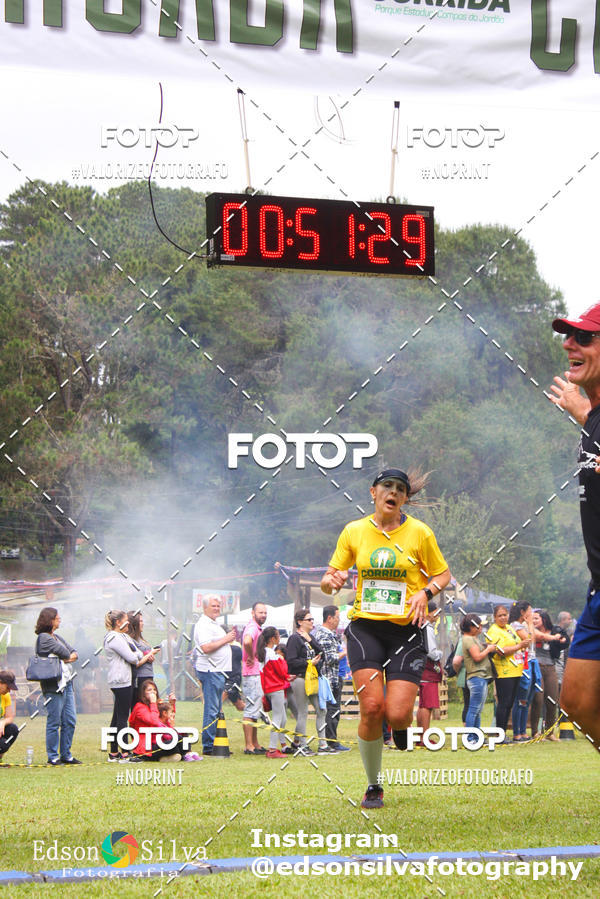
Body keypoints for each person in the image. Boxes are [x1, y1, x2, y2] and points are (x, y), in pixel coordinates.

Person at [321, 468, 451, 809]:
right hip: (365, 627)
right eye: (387, 487)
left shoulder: (419, 533)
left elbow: (443, 574)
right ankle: (373, 785)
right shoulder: (354, 532)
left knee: (396, 715)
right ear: (373, 492)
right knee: (372, 708)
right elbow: (331, 575)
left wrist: (426, 592)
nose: (393, 493)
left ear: (405, 498)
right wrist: (330, 583)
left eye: (400, 489)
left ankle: (401, 727)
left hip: (407, 630)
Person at [550, 302, 600, 747]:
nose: (570, 344)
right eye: (568, 336)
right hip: (598, 590)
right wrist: (585, 416)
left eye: (584, 338)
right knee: (578, 703)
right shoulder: (594, 418)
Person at [104, 610, 155, 762]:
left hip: (126, 679)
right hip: (120, 681)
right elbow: (133, 657)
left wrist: (138, 654)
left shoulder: (124, 636)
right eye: (126, 620)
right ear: (118, 622)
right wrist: (137, 654)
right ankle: (125, 752)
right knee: (122, 718)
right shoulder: (113, 637)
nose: (128, 623)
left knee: (116, 717)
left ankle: (114, 752)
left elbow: (139, 652)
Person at [34, 607, 80, 766]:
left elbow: (74, 652)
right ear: (50, 620)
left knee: (70, 719)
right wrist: (66, 657)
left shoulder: (57, 636)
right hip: (53, 685)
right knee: (54, 721)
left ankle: (66, 755)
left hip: (66, 683)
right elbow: (66, 653)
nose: (60, 619)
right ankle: (53, 756)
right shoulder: (44, 638)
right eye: (57, 617)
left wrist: (65, 658)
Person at [193, 595, 235, 756]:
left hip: (218, 670)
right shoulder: (203, 624)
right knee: (211, 708)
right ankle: (209, 746)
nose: (217, 608)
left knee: (216, 708)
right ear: (204, 608)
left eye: (218, 606)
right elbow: (205, 647)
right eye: (213, 606)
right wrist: (226, 639)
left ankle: (215, 743)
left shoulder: (213, 623)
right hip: (211, 671)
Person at [285, 609, 327, 756]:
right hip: (300, 679)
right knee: (303, 713)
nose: (312, 622)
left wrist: (310, 640)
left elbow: (322, 652)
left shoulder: (309, 637)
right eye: (309, 619)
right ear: (300, 622)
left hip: (313, 679)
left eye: (312, 619)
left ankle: (323, 744)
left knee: (322, 709)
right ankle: (302, 745)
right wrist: (309, 662)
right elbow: (290, 662)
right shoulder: (294, 639)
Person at [485, 605, 529, 742]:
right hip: (504, 671)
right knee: (503, 703)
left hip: (516, 670)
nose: (503, 618)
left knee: (510, 703)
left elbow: (519, 641)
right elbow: (501, 650)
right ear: (494, 617)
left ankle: (503, 733)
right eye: (500, 615)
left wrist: (521, 646)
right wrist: (519, 646)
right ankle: (499, 734)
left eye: (505, 615)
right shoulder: (493, 631)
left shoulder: (510, 628)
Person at [128, 681, 201, 762]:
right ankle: (181, 755)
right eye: (149, 690)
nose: (153, 692)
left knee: (183, 735)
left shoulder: (155, 705)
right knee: (176, 741)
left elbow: (166, 719)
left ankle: (185, 754)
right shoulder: (140, 708)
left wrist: (172, 704)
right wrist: (153, 702)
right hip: (146, 748)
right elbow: (154, 721)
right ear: (143, 693)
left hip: (159, 741)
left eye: (154, 689)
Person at [314, 605, 349, 753]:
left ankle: (331, 741)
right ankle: (330, 742)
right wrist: (345, 652)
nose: (338, 621)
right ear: (329, 618)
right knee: (331, 711)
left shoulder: (328, 634)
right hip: (328, 679)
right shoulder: (324, 635)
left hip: (333, 678)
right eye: (337, 618)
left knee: (333, 711)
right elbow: (329, 658)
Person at [258, 626, 295, 758]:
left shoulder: (264, 652)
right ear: (273, 639)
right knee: (277, 718)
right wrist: (282, 661)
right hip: (275, 688)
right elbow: (282, 670)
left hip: (269, 688)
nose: (280, 637)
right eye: (278, 635)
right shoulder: (272, 654)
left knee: (282, 718)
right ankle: (273, 749)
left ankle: (282, 745)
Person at [459, 614, 497, 742]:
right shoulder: (468, 639)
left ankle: (476, 736)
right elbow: (477, 657)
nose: (481, 627)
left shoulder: (473, 639)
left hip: (480, 677)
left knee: (477, 709)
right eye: (479, 625)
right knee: (474, 709)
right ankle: (470, 738)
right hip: (476, 677)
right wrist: (489, 649)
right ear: (472, 627)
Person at [531, 610, 566, 741]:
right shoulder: (531, 631)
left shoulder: (553, 631)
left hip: (551, 667)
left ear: (544, 619)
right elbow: (539, 637)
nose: (534, 621)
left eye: (536, 619)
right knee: (538, 699)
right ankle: (535, 732)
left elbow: (564, 641)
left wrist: (561, 639)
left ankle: (550, 732)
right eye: (533, 619)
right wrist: (554, 637)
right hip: (537, 667)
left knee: (552, 699)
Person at [509, 601, 540, 742]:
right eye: (530, 610)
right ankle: (517, 732)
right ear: (522, 612)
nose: (532, 613)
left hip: (532, 662)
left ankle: (523, 731)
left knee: (527, 699)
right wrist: (530, 624)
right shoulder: (516, 625)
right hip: (524, 663)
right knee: (521, 698)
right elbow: (530, 639)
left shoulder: (525, 625)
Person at [415, 601, 444, 743]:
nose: (437, 616)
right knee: (428, 705)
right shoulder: (428, 628)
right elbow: (431, 652)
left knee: (422, 704)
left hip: (420, 668)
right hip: (428, 669)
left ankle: (420, 736)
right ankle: (424, 738)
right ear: (428, 612)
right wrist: (440, 654)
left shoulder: (419, 626)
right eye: (436, 613)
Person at [242, 602, 267, 755]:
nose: (263, 615)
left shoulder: (257, 628)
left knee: (256, 709)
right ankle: (248, 745)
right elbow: (246, 641)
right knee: (250, 710)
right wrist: (251, 656)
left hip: (255, 673)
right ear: (253, 613)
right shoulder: (252, 627)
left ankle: (255, 743)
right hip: (251, 674)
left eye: (265, 613)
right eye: (260, 612)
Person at [128, 611, 159, 703]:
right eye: (140, 621)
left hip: (148, 674)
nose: (143, 623)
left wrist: (150, 657)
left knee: (149, 704)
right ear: (134, 623)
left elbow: (144, 655)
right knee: (140, 704)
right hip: (140, 677)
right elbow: (135, 661)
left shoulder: (141, 639)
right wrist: (150, 653)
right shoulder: (131, 640)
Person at [0, 670, 19, 763]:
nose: (9, 690)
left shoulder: (5, 696)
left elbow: (10, 717)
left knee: (13, 729)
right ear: (0, 683)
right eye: (8, 687)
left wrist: (2, 722)